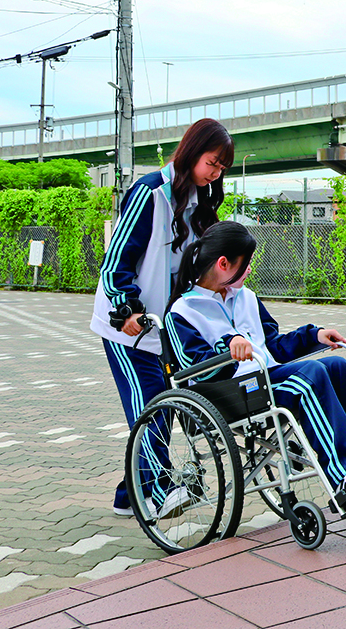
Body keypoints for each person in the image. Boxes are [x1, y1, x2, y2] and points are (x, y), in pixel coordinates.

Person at [166, 222, 346, 500]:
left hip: (268, 376)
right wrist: (228, 347)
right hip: (232, 392)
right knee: (311, 374)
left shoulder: (247, 298)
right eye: (246, 264)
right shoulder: (183, 311)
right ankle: (345, 472)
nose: (249, 270)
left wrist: (314, 336)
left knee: (339, 366)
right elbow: (194, 369)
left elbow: (272, 346)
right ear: (223, 264)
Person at [90, 117, 234, 517]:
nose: (216, 173)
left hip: (166, 327)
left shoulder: (200, 202)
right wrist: (127, 308)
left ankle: (128, 495)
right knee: (152, 405)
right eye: (212, 163)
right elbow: (117, 260)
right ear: (191, 152)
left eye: (222, 168)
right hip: (129, 325)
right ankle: (157, 492)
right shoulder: (150, 192)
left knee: (159, 405)